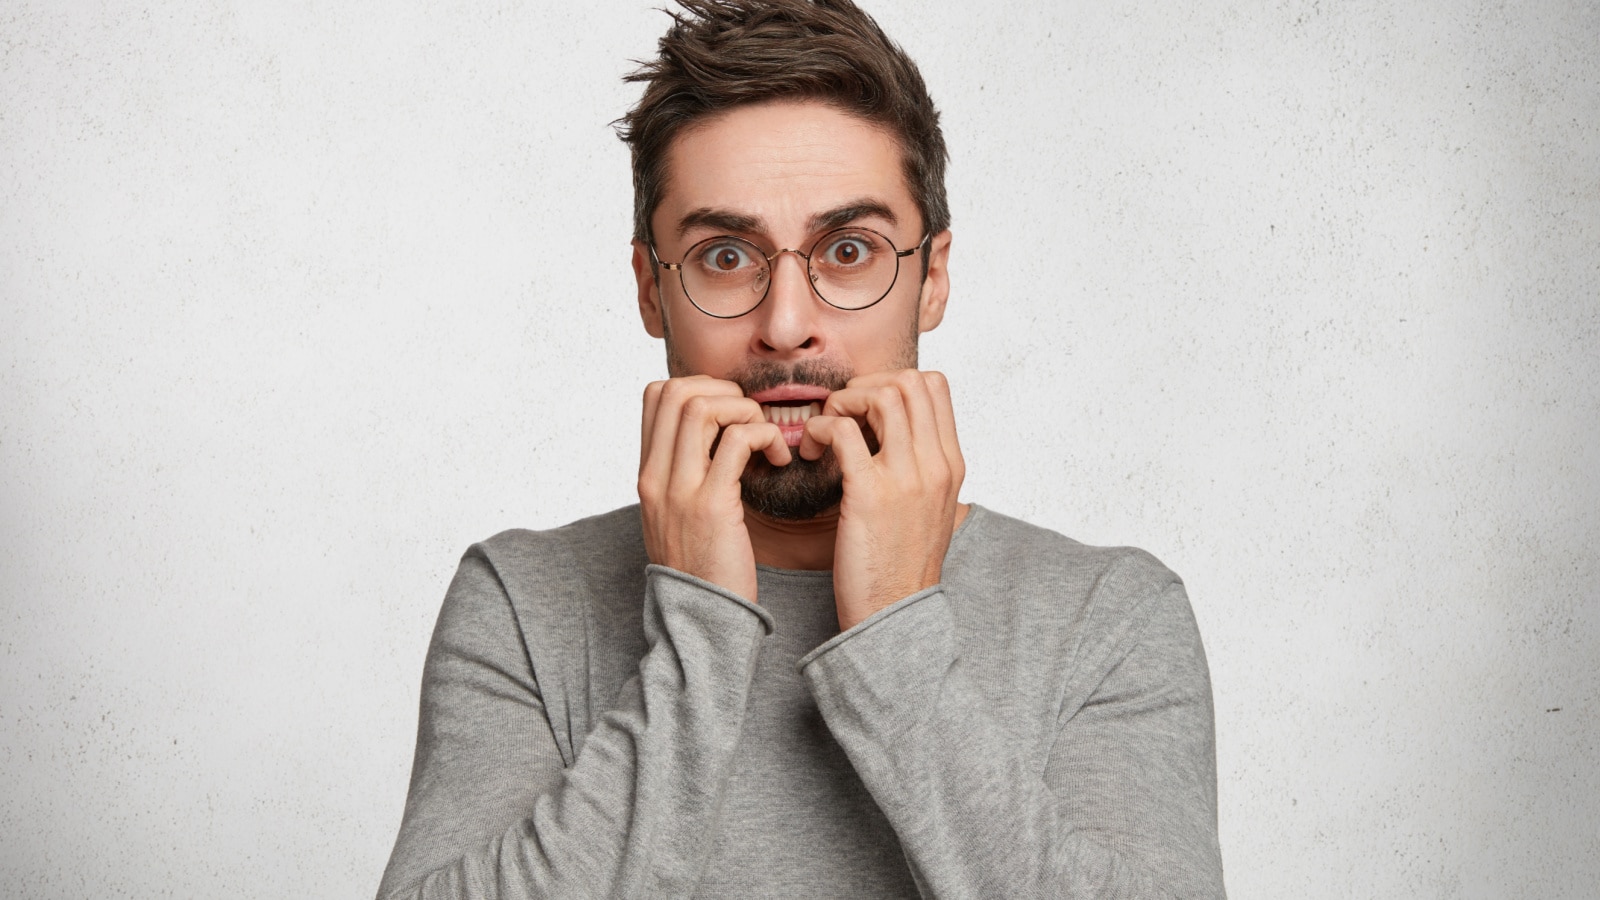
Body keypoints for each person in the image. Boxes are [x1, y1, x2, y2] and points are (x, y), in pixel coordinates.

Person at [377, 1, 1225, 896]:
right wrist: (699, 629)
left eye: (849, 250)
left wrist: (897, 632)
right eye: (725, 257)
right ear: (650, 290)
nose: (786, 326)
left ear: (931, 278)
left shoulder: (1112, 619)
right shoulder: (520, 604)